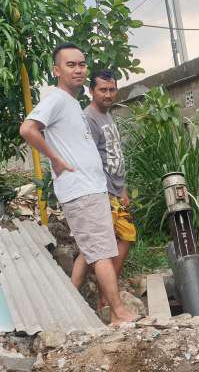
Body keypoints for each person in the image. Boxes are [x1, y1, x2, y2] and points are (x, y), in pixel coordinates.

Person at [19, 43, 137, 325]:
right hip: (81, 190)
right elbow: (28, 129)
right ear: (56, 70)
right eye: (71, 65)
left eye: (82, 64)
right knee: (100, 253)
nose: (78, 69)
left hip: (93, 188)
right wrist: (55, 159)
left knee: (95, 250)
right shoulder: (57, 99)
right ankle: (119, 314)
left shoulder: (71, 103)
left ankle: (73, 307)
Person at [80, 69, 136, 279]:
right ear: (91, 91)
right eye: (102, 90)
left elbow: (115, 154)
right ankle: (102, 294)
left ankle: (108, 290)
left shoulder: (107, 115)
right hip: (102, 192)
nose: (108, 94)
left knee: (126, 236)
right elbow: (89, 159)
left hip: (116, 191)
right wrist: (101, 193)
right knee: (100, 247)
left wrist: (123, 189)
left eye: (112, 89)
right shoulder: (89, 118)